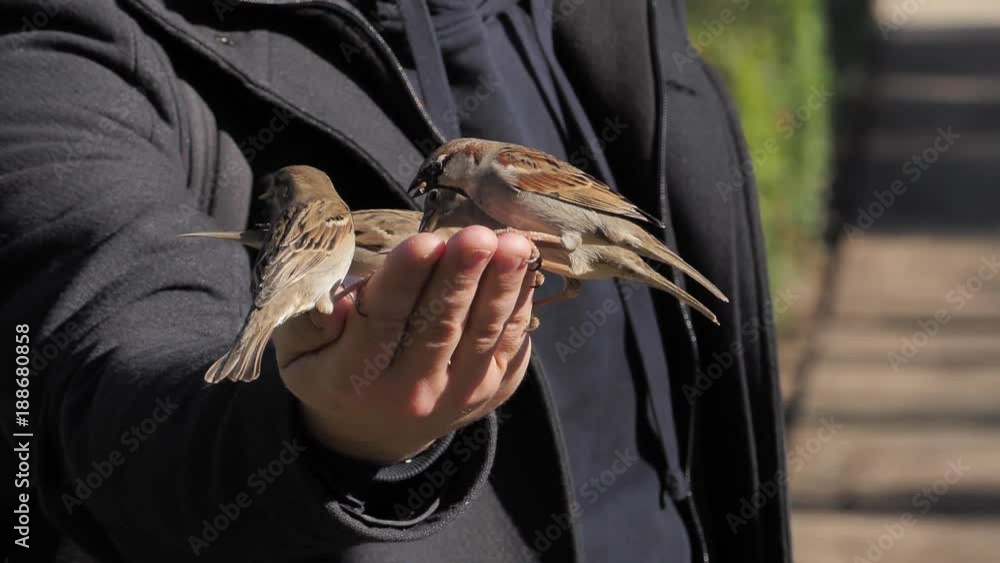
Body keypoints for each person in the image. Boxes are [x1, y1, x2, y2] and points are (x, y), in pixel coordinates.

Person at [0, 0, 790, 561]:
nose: (433, 200)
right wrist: (322, 436)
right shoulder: (69, 47)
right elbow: (98, 374)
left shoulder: (605, 14)